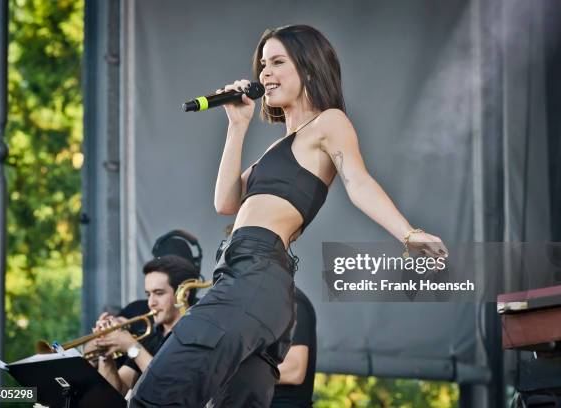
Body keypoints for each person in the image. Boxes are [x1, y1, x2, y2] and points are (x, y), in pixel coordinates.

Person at [129, 24, 447, 407]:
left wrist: (408, 233)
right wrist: (237, 125)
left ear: (309, 69)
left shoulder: (328, 123)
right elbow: (225, 202)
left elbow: (358, 182)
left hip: (255, 274)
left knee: (157, 392)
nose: (264, 73)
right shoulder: (279, 148)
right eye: (262, 64)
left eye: (278, 62)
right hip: (249, 278)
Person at [93, 255, 199, 396]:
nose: (150, 303)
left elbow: (172, 390)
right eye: (148, 294)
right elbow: (115, 393)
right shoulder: (150, 336)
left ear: (183, 295)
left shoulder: (196, 336)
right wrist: (105, 355)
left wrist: (132, 347)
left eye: (159, 293)